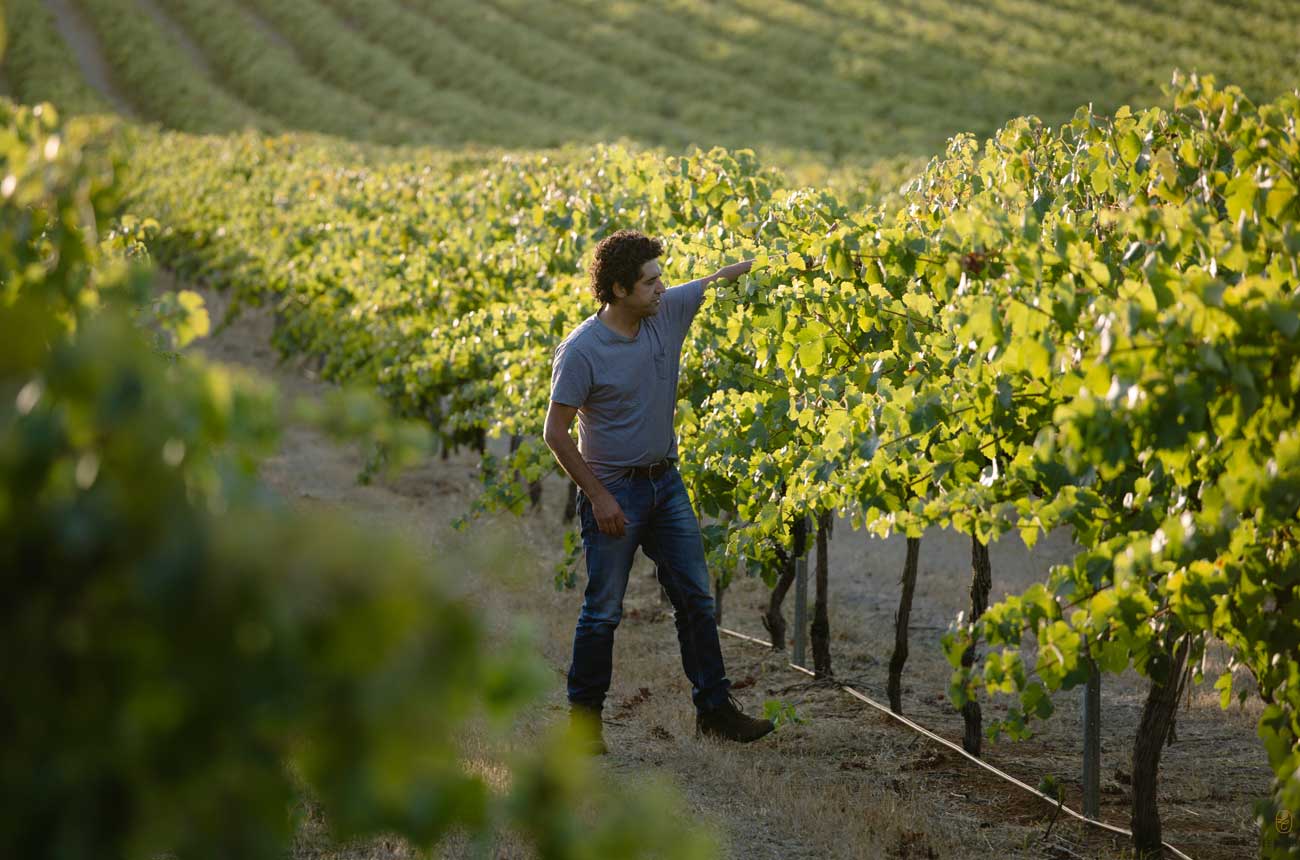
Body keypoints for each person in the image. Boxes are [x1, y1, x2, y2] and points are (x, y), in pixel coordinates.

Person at [544, 229, 773, 754]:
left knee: (695, 598)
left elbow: (718, 282)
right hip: (614, 491)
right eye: (650, 281)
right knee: (603, 610)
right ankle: (583, 727)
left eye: (660, 278)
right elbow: (555, 433)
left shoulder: (664, 312)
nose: (661, 287)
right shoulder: (581, 351)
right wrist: (598, 497)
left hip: (665, 483)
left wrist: (786, 260)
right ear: (620, 289)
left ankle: (715, 712)